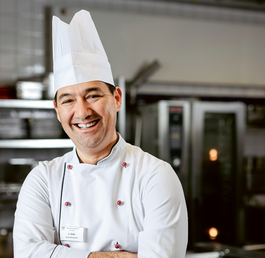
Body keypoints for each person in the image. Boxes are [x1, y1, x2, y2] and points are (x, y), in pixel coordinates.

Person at [13, 10, 188, 258]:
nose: (82, 112)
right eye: (68, 100)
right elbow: (26, 254)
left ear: (116, 98)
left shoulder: (155, 176)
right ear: (57, 110)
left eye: (93, 95)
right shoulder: (42, 180)